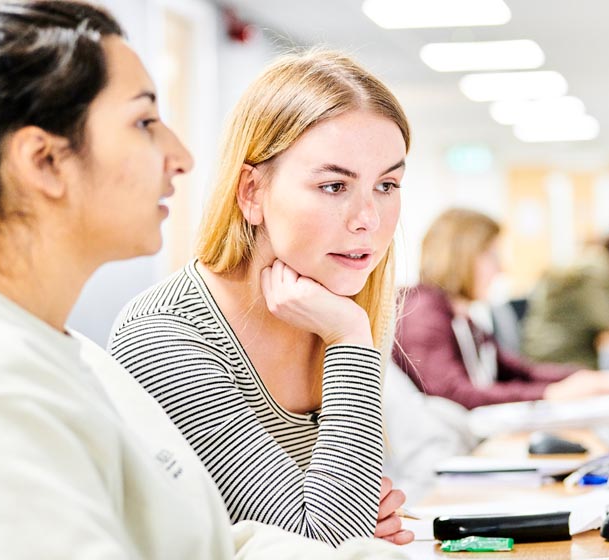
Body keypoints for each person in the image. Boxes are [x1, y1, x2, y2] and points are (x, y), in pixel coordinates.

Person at [0, 3, 401, 558]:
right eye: (144, 122)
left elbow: (197, 539)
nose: (182, 156)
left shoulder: (69, 356)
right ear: (44, 161)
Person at [108, 49, 413, 547]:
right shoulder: (164, 334)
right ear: (251, 190)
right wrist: (351, 340)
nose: (368, 219)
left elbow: (336, 532)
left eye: (387, 184)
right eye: (334, 185)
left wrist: (345, 519)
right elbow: (325, 544)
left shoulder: (325, 306)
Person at [393, 208, 609, 410]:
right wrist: (550, 394)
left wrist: (590, 379)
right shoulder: (422, 314)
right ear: (462, 257)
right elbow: (453, 394)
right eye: (491, 255)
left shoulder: (463, 318)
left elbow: (518, 371)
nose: (501, 268)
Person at [522, 229, 609, 367]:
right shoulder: (595, 273)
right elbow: (608, 322)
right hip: (557, 355)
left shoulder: (604, 272)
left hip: (563, 349)